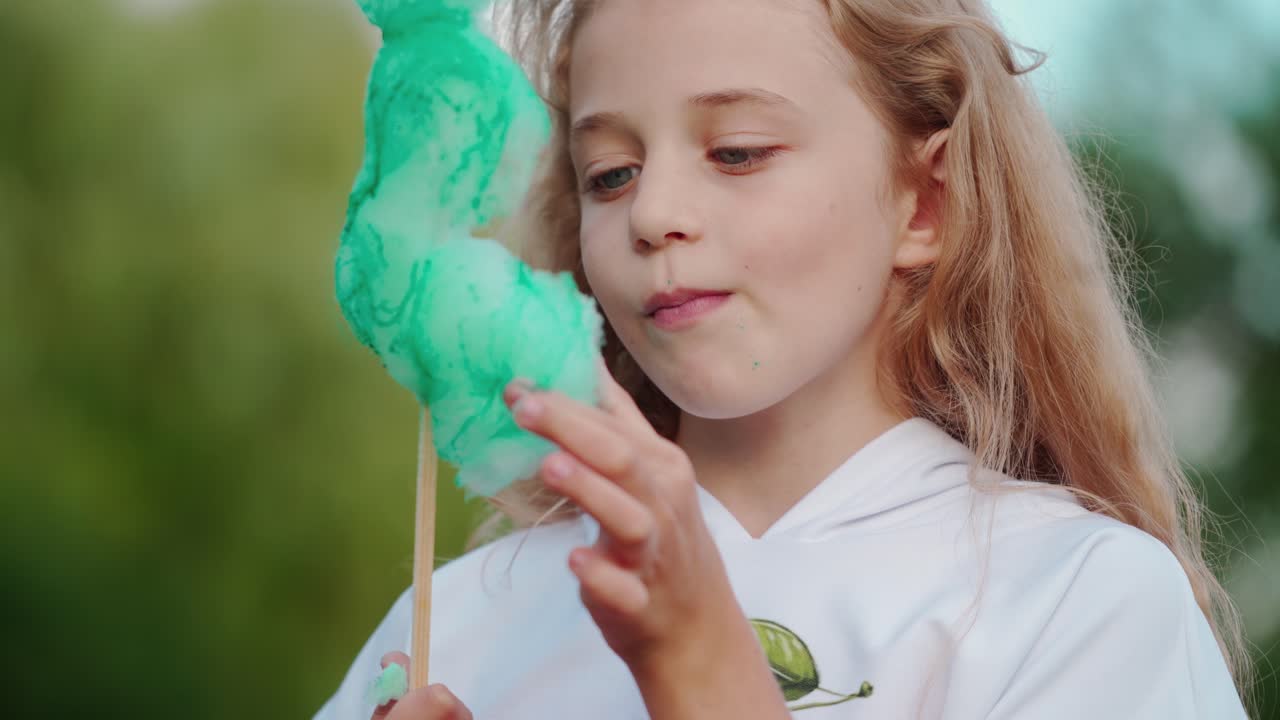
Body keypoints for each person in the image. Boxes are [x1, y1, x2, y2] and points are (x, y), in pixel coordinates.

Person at [313, 0, 1252, 717]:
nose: (649, 214)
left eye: (737, 152)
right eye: (610, 172)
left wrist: (709, 676)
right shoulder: (460, 623)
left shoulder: (1078, 601)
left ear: (925, 204)